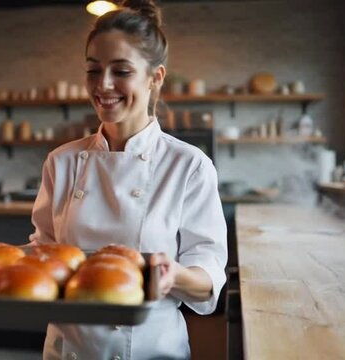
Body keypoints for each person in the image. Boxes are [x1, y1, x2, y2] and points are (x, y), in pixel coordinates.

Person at [29, 0, 227, 358]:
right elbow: (42, 255)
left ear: (156, 78)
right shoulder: (61, 162)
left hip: (150, 350)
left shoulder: (189, 166)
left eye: (121, 71)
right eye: (93, 70)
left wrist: (173, 275)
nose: (103, 85)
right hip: (69, 349)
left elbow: (209, 278)